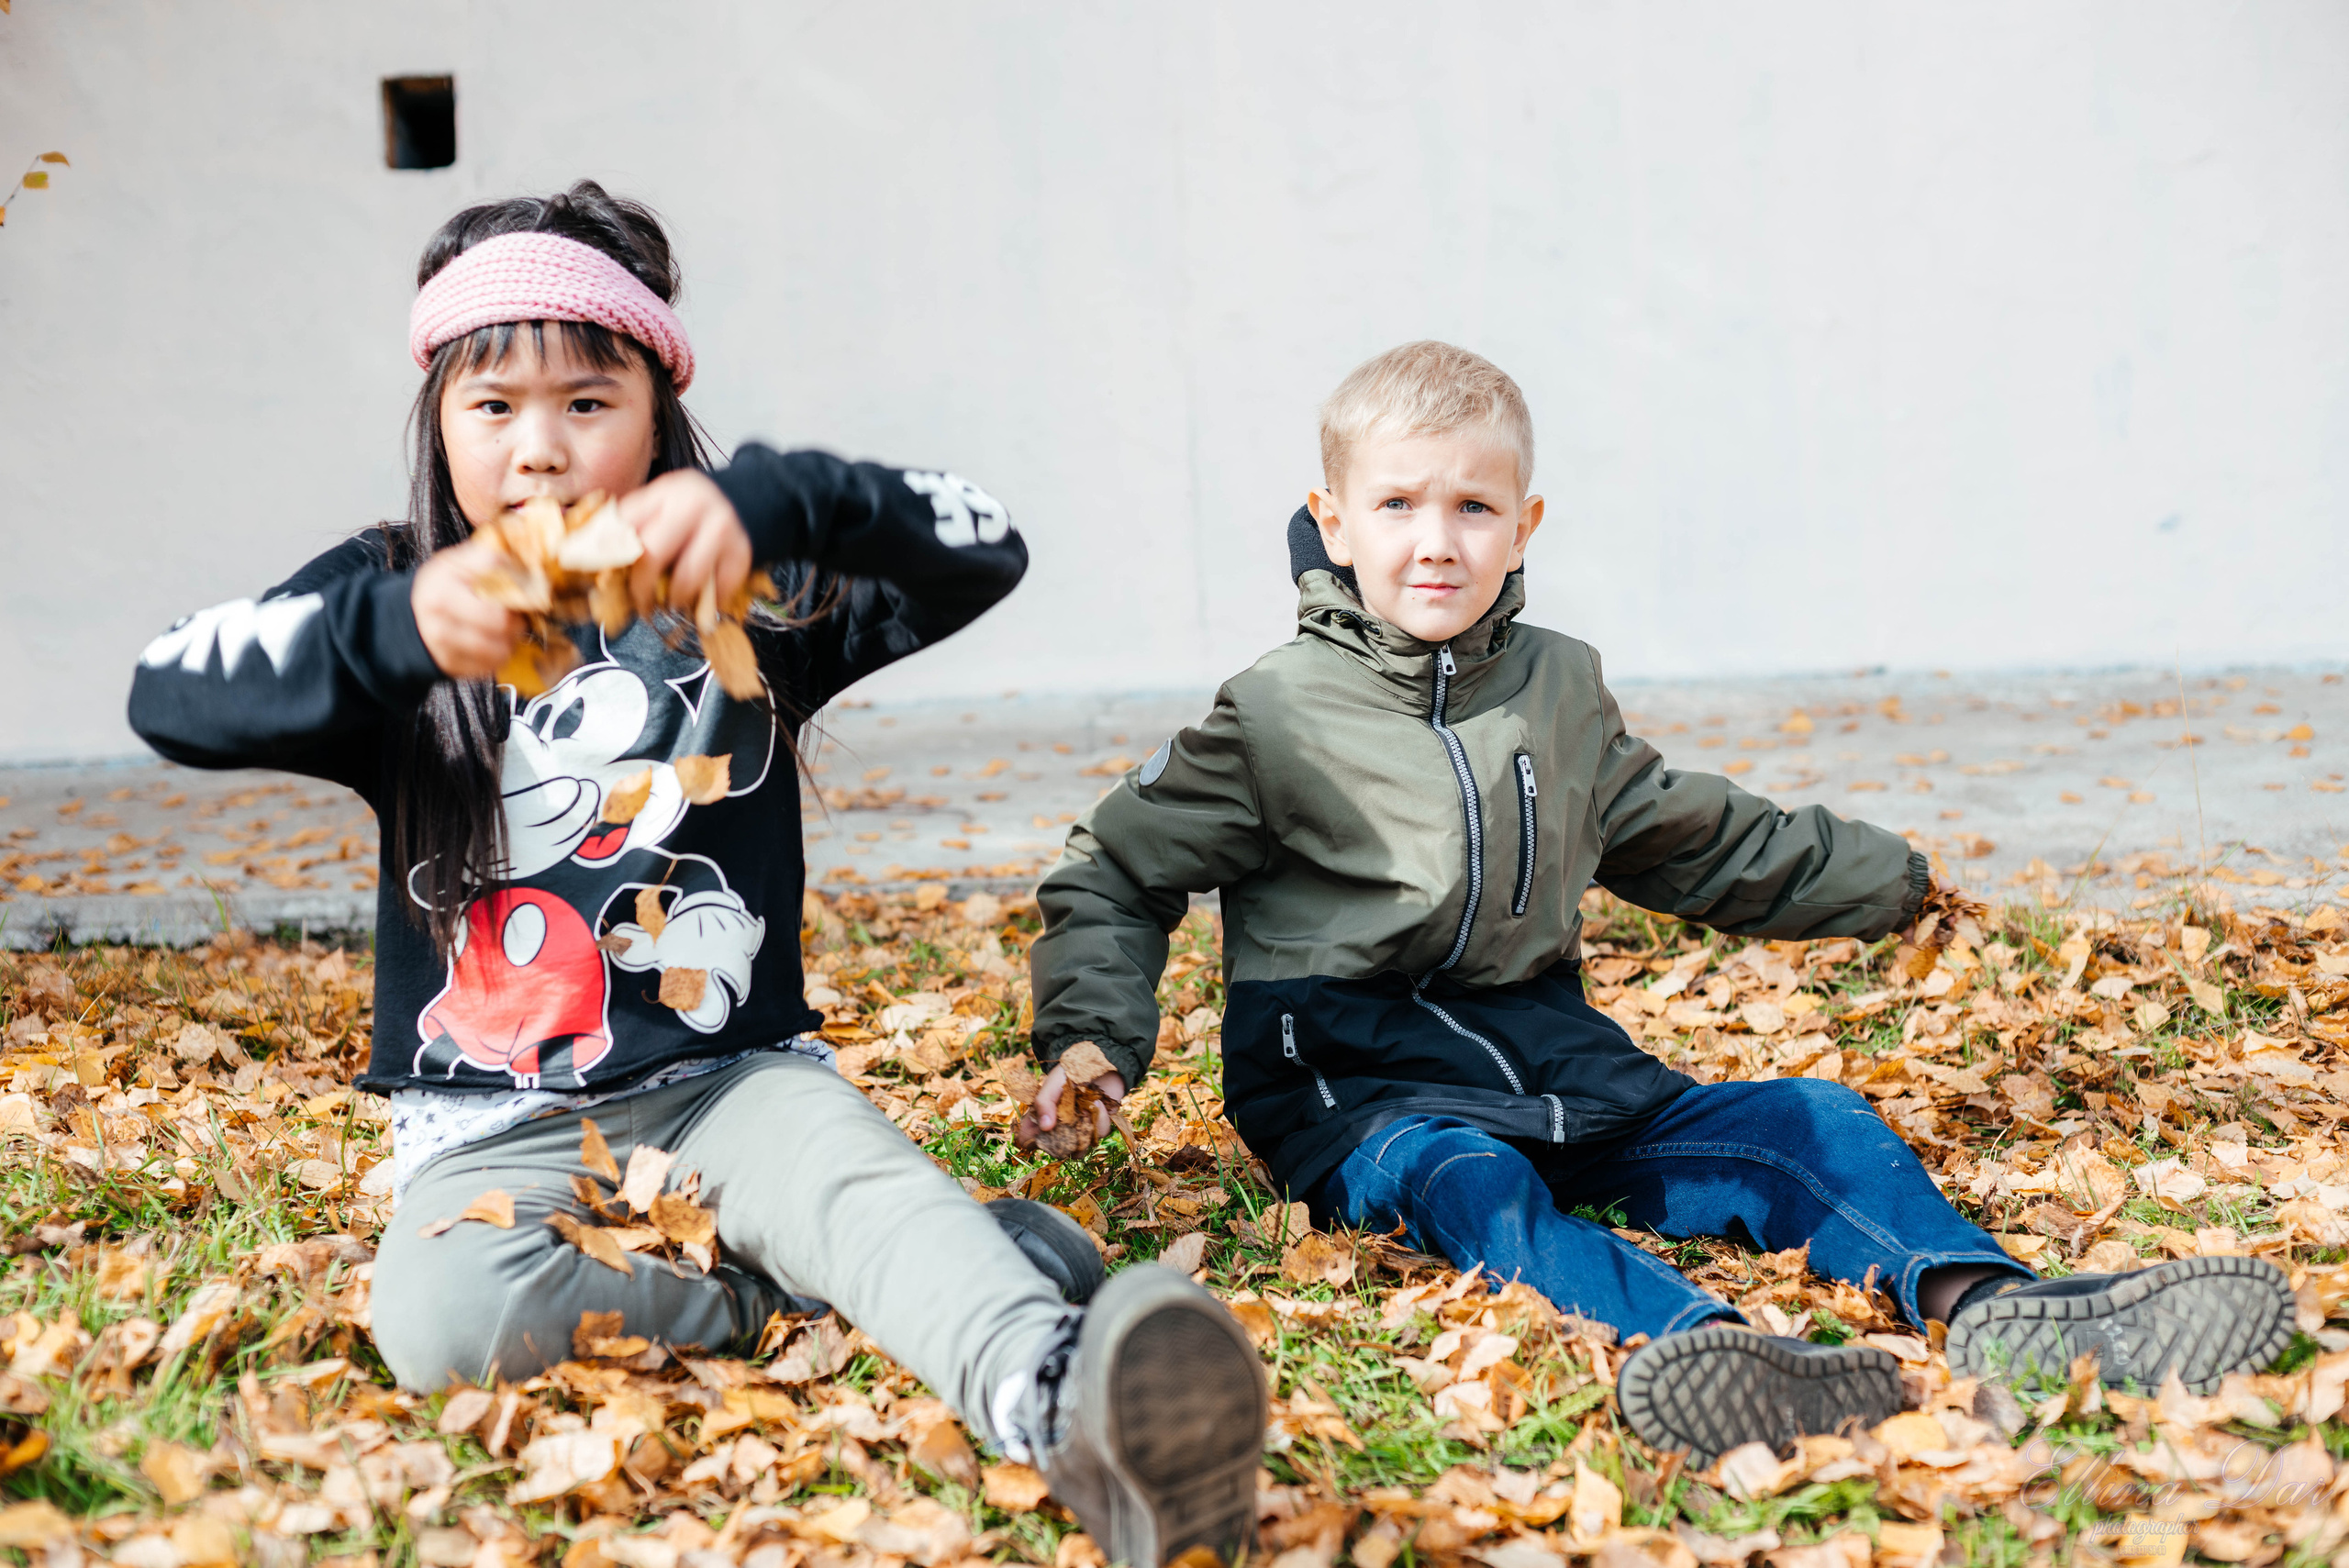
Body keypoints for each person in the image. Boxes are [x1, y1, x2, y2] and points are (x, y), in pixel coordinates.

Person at [127, 182, 1266, 1567]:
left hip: (735, 1080)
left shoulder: (751, 587)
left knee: (841, 1179)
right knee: (439, 1321)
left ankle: (1071, 1402)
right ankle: (864, 1278)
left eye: (587, 402)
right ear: (437, 422)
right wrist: (398, 626)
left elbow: (984, 542)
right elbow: (168, 688)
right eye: (493, 409)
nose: (540, 452)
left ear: (657, 411)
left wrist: (782, 500)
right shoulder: (394, 596)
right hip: (496, 1126)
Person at [1023, 339, 2293, 1462]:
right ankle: (1703, 1351)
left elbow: (1692, 837)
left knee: (1804, 1122)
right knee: (1471, 1179)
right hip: (1353, 1085)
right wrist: (1093, 1033)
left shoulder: (1559, 689)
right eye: (1399, 502)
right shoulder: (1278, 712)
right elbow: (1117, 864)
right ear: (1334, 519)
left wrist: (1888, 880)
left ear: (1524, 524)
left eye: (1473, 504)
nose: (1437, 538)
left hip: (1553, 1057)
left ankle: (1988, 1300)